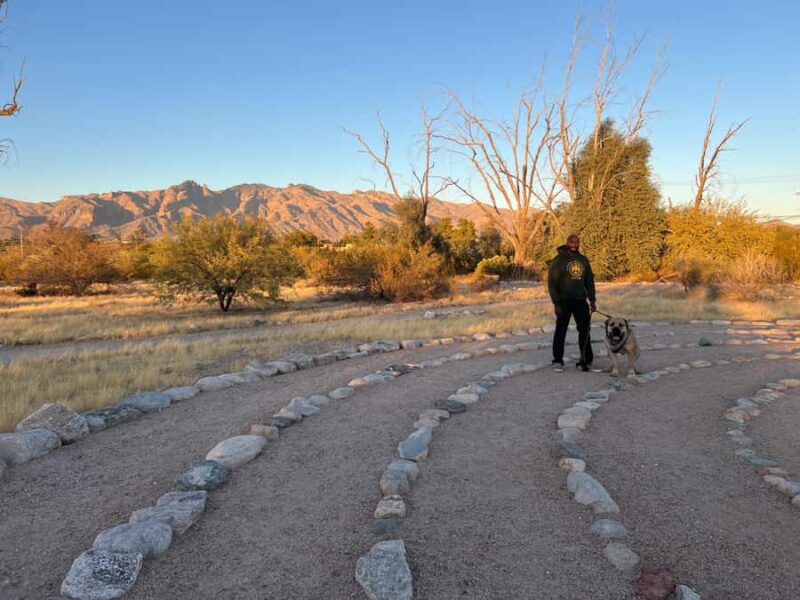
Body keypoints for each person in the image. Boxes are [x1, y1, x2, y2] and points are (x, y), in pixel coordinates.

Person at [547, 234, 596, 372]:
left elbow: (589, 282)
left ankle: (586, 359)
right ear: (567, 242)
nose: (574, 244)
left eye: (577, 242)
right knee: (561, 331)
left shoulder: (583, 260)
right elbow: (552, 283)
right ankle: (557, 360)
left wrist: (592, 300)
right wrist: (556, 303)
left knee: (585, 330)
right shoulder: (558, 260)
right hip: (564, 301)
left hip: (581, 301)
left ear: (579, 244)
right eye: (572, 241)